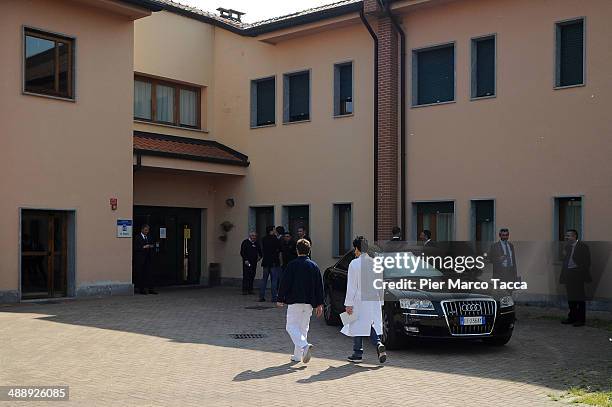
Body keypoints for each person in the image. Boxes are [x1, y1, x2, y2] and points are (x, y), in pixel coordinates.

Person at [277, 239, 324, 363]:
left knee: (291, 326)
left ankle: (304, 346)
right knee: (303, 328)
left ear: (297, 250)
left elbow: (285, 283)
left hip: (295, 301)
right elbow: (319, 286)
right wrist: (320, 304)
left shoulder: (292, 265)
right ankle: (298, 356)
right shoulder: (314, 266)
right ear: (309, 250)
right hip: (309, 302)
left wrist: (280, 298)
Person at [343, 237, 386, 364]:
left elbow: (351, 285)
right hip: (374, 298)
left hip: (359, 298)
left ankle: (358, 352)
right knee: (368, 323)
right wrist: (381, 301)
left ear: (357, 248)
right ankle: (376, 344)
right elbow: (380, 284)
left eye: (354, 249)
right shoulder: (376, 263)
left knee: (356, 323)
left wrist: (348, 304)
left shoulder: (354, 264)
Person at [560, 229, 591, 327]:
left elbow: (587, 262)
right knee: (571, 298)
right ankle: (572, 317)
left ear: (574, 237)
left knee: (580, 298)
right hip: (568, 274)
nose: (566, 237)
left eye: (568, 236)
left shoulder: (583, 246)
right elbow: (566, 261)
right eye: (566, 236)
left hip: (578, 275)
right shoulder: (567, 247)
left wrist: (579, 273)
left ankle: (581, 320)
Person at [259, 226, 281, 302]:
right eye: (274, 229)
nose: (275, 231)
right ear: (271, 230)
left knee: (264, 279)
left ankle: (261, 296)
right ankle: (274, 297)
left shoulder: (264, 239)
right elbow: (279, 249)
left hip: (265, 262)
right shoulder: (275, 239)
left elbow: (263, 249)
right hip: (274, 262)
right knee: (274, 280)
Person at [134, 224, 157, 295]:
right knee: (141, 274)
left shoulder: (149, 237)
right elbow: (135, 247)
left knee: (149, 274)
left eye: (148, 230)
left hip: (148, 258)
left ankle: (151, 289)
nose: (147, 231)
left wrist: (151, 246)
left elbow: (153, 244)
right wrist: (143, 247)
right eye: (146, 230)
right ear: (142, 230)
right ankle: (142, 289)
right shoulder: (137, 237)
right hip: (140, 259)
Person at [240, 231, 261, 295]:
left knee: (252, 275)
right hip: (247, 262)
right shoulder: (245, 242)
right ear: (250, 236)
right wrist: (245, 259)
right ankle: (245, 289)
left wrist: (260, 257)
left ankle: (250, 289)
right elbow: (242, 252)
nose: (254, 237)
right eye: (253, 236)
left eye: (255, 236)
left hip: (254, 262)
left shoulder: (257, 243)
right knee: (246, 275)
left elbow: (260, 251)